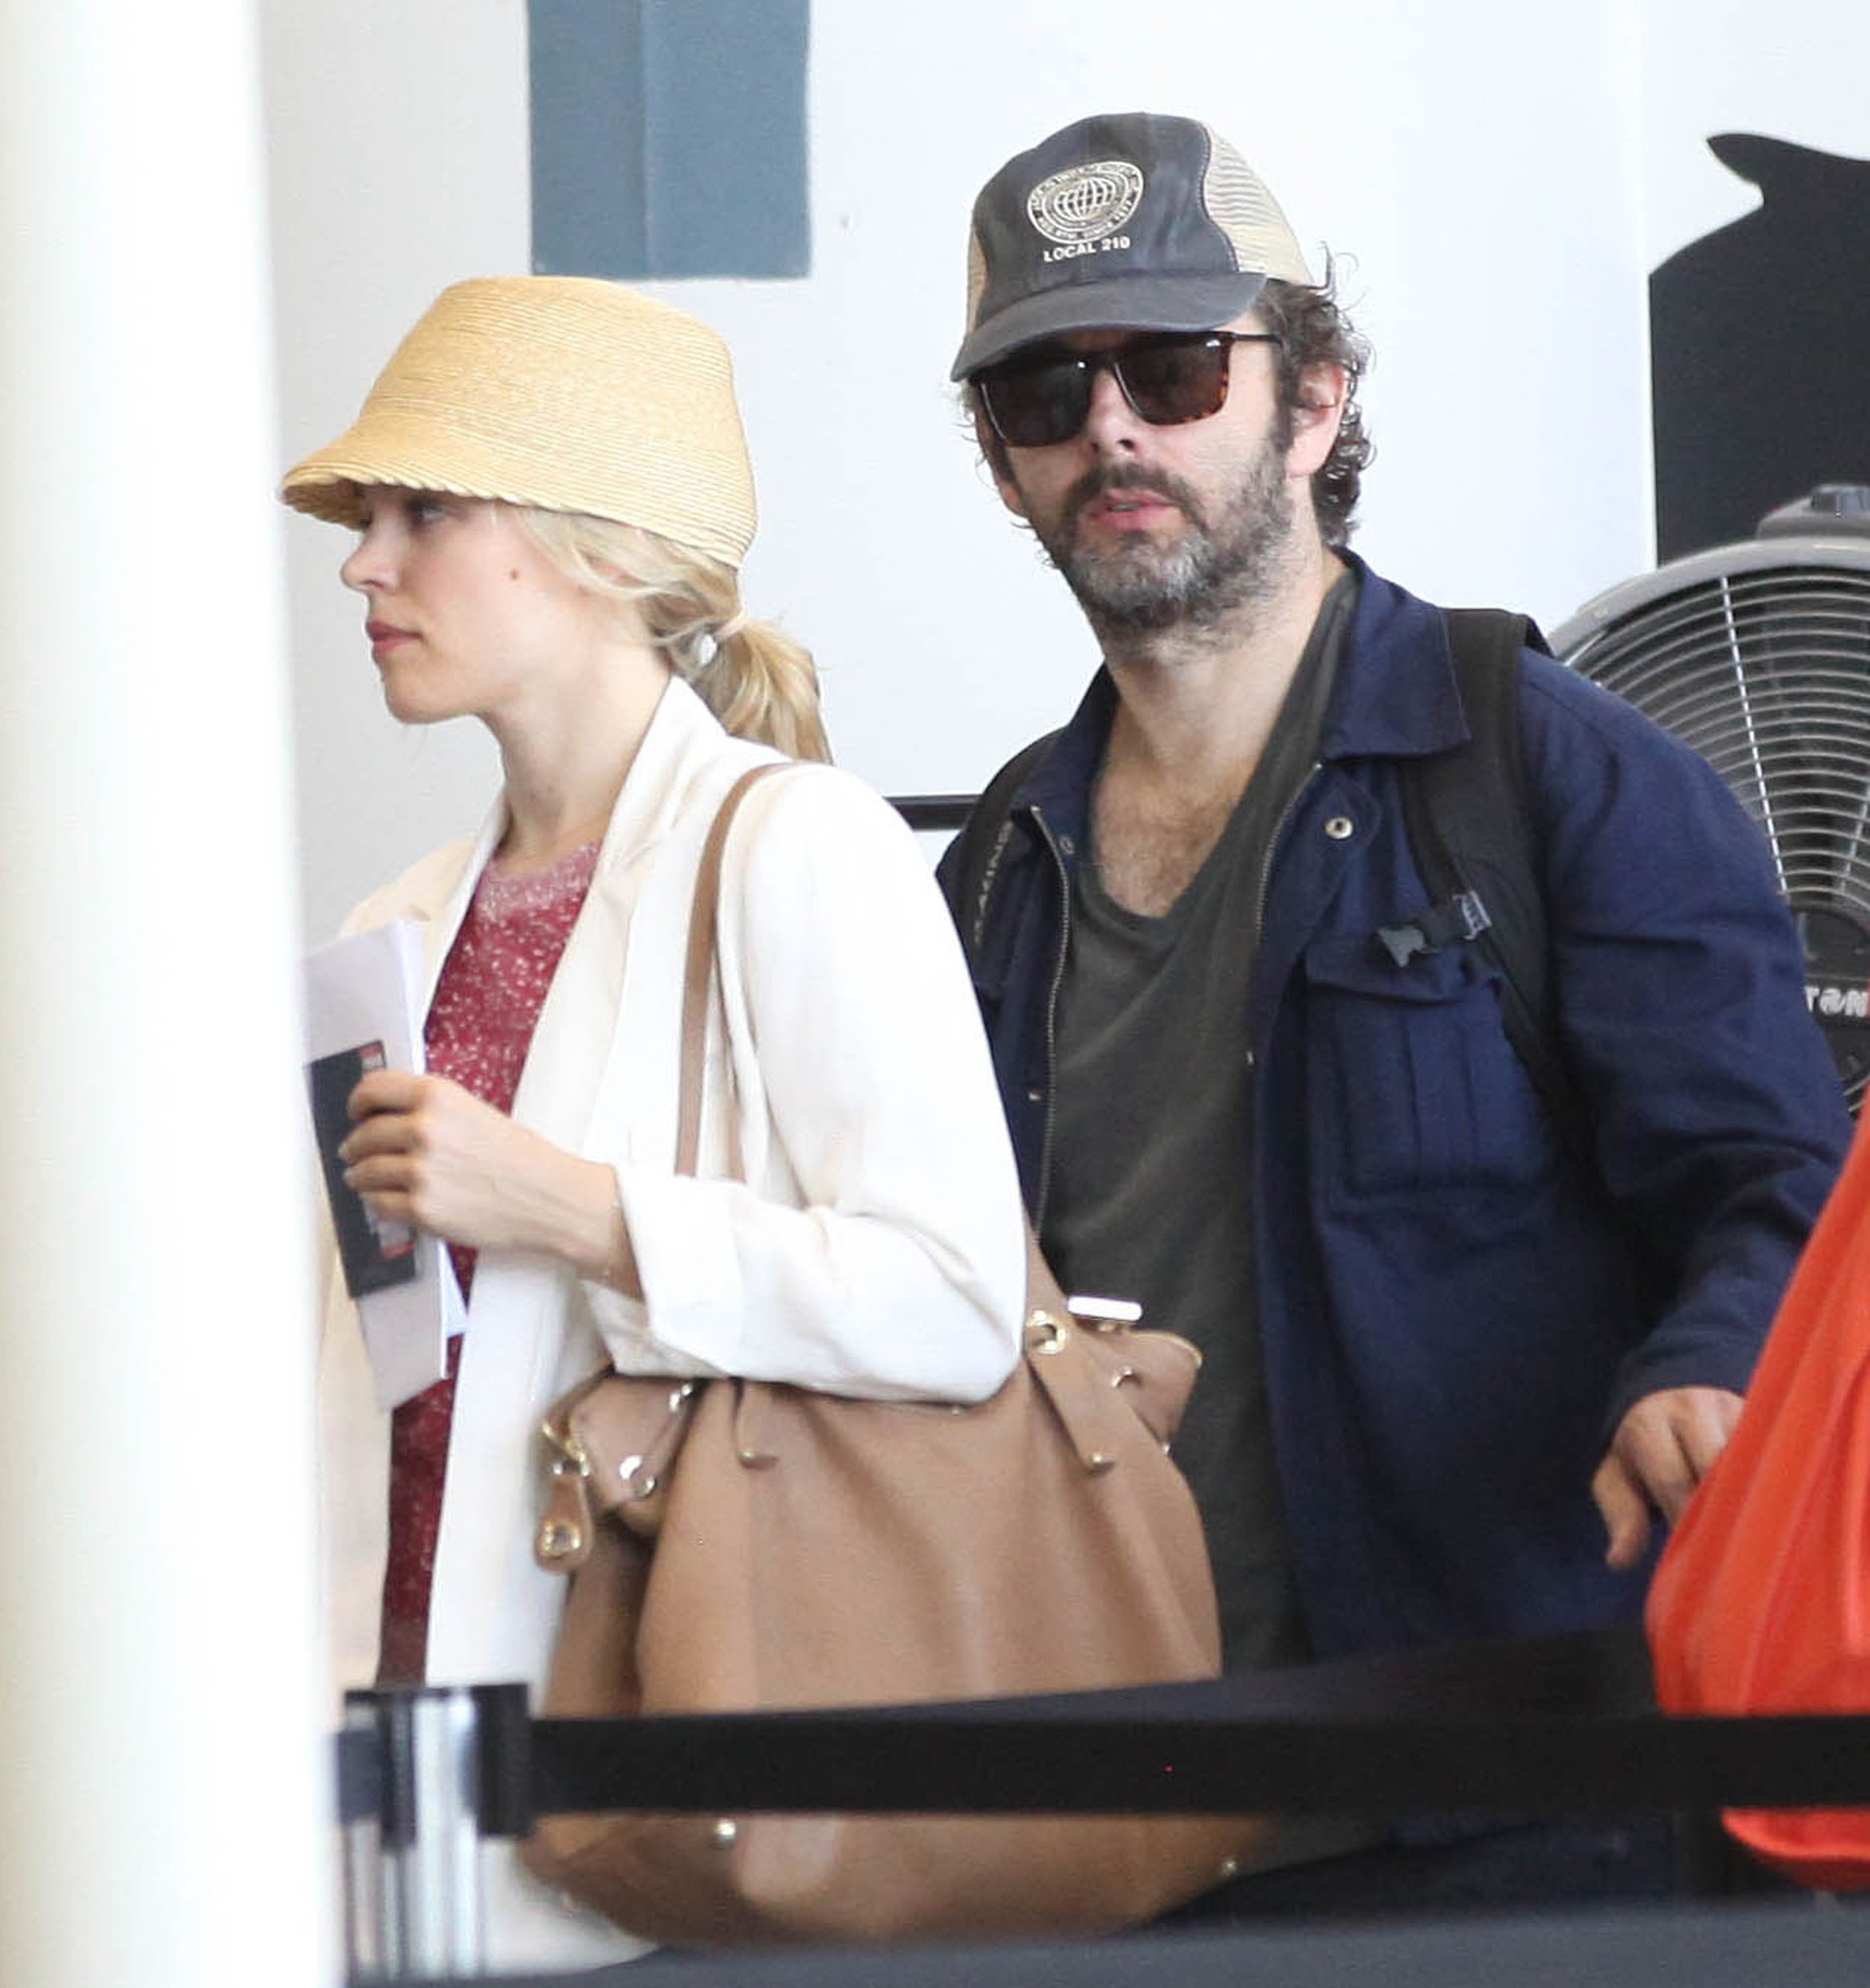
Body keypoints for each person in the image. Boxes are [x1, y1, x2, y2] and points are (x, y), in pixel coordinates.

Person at [938, 111, 1853, 1912]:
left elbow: (1776, 1181)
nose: (1112, 424)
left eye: (1178, 364)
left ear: (1315, 397)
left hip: (1509, 1811)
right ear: (1002, 461)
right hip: (1105, 1816)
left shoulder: (1556, 772)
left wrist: (1708, 1358)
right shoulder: (996, 865)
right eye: (1047, 391)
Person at [282, 276, 1026, 1972]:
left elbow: (959, 1298)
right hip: (394, 1832)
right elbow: (366, 1404)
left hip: (649, 1827)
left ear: (591, 546)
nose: (362, 561)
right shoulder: (389, 925)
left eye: (423, 511)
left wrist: (570, 1207)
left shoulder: (799, 848)